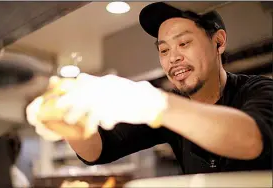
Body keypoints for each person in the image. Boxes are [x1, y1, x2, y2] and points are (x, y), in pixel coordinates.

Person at [27, 2, 272, 174]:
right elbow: (98, 150)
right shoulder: (170, 109)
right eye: (164, 50)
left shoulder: (260, 90)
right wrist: (72, 124)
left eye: (184, 43)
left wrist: (152, 103)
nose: (172, 58)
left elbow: (251, 139)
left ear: (218, 42)